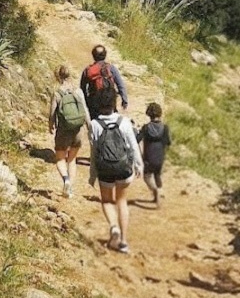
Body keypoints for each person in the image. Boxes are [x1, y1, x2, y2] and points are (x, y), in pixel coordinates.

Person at [87, 86, 142, 254]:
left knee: (107, 200)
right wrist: (138, 164)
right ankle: (123, 242)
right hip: (123, 166)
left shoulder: (94, 125)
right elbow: (133, 145)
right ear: (114, 103)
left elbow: (94, 151)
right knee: (121, 201)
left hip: (105, 168)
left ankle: (113, 227)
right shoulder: (124, 122)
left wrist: (92, 174)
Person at [48, 65, 89, 198]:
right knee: (72, 160)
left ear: (57, 76)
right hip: (78, 130)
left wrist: (51, 125)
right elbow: (85, 111)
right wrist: (89, 127)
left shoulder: (57, 93)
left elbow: (52, 114)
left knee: (60, 158)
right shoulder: (78, 91)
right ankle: (70, 189)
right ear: (70, 75)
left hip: (63, 130)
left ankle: (66, 180)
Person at [80, 44, 129, 117]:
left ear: (93, 56)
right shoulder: (111, 68)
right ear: (105, 55)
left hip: (94, 103)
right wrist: (124, 101)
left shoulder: (87, 70)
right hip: (110, 101)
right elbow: (121, 85)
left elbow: (82, 89)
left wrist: (86, 102)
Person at [138, 102, 171, 206]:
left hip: (148, 157)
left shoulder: (146, 128)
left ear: (149, 114)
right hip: (160, 156)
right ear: (160, 113)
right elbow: (168, 142)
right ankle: (159, 193)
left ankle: (155, 191)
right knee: (157, 175)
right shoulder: (165, 128)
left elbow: (137, 139)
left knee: (147, 176)